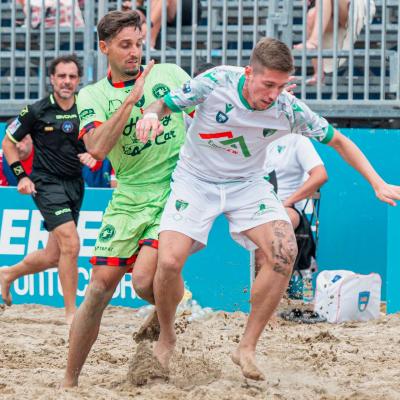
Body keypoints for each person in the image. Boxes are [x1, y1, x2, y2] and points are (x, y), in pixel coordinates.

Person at [135, 37, 400, 381]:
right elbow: (161, 103)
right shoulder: (216, 81)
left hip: (247, 184)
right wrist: (150, 116)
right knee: (169, 262)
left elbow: (339, 141)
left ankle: (246, 347)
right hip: (195, 180)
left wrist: (377, 182)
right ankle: (167, 335)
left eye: (282, 86)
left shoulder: (288, 108)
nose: (274, 94)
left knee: (285, 250)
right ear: (249, 73)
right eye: (268, 84)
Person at [62, 10, 192, 388]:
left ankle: (167, 329)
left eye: (138, 43)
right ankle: (69, 381)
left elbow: (207, 110)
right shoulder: (92, 95)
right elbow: (97, 148)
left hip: (173, 190)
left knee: (142, 281)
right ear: (104, 48)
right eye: (125, 45)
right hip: (128, 195)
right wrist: (131, 101)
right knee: (98, 289)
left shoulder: (169, 74)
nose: (135, 52)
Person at [0, 54, 96, 324]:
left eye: (72, 77)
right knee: (72, 244)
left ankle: (7, 274)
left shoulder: (86, 108)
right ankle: (71, 314)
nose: (67, 81)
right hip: (46, 184)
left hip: (75, 184)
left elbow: (99, 141)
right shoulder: (36, 110)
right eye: (61, 76)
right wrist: (22, 176)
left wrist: (94, 154)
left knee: (54, 255)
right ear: (52, 79)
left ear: (78, 80)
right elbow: (8, 143)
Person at [264, 134, 328, 229]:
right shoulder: (251, 138)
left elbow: (320, 175)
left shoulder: (297, 140)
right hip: (254, 206)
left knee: (277, 225)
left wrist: (287, 202)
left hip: (287, 208)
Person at [0, 120, 34, 186]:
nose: (17, 145)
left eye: (22, 138)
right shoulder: (1, 162)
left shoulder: (47, 159)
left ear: (32, 138)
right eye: (11, 140)